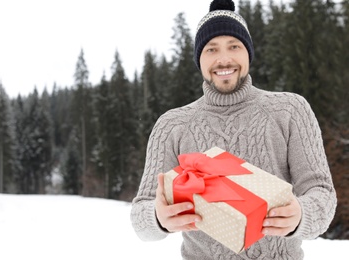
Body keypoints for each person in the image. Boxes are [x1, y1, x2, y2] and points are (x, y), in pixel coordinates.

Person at [130, 0, 337, 259]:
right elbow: (140, 218)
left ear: (248, 52)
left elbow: (322, 193)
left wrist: (301, 215)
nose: (223, 59)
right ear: (199, 59)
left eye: (234, 46)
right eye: (211, 49)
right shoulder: (172, 125)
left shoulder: (290, 110)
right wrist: (157, 218)